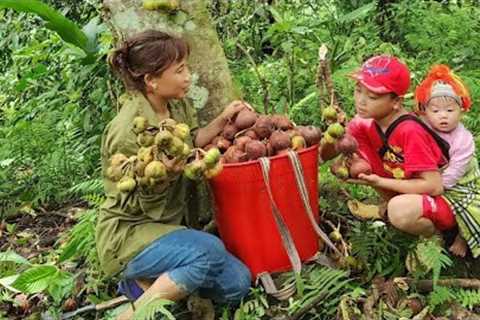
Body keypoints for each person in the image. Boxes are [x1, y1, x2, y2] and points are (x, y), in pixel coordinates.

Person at [96, 30, 251, 320]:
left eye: (186, 68)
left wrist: (223, 119)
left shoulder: (174, 104)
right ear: (151, 80)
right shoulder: (128, 130)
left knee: (238, 285)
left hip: (169, 230)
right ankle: (134, 314)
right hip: (130, 235)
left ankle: (150, 284)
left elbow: (189, 140)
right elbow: (136, 203)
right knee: (209, 250)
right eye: (179, 70)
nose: (188, 76)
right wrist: (164, 177)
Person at [321, 55, 456, 238]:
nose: (361, 101)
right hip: (408, 191)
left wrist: (379, 182)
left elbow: (434, 186)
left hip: (443, 202)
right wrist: (333, 133)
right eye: (358, 90)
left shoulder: (409, 131)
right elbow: (324, 156)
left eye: (372, 96)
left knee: (398, 210)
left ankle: (435, 237)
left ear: (396, 102)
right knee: (357, 151)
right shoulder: (364, 124)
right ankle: (392, 207)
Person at [415, 64, 480, 258]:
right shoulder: (422, 128)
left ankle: (463, 239)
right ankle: (431, 236)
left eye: (450, 110)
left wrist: (436, 185)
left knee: (472, 209)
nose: (443, 115)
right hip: (433, 176)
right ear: (425, 112)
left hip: (460, 181)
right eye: (435, 111)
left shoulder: (463, 139)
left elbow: (457, 168)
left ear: (461, 110)